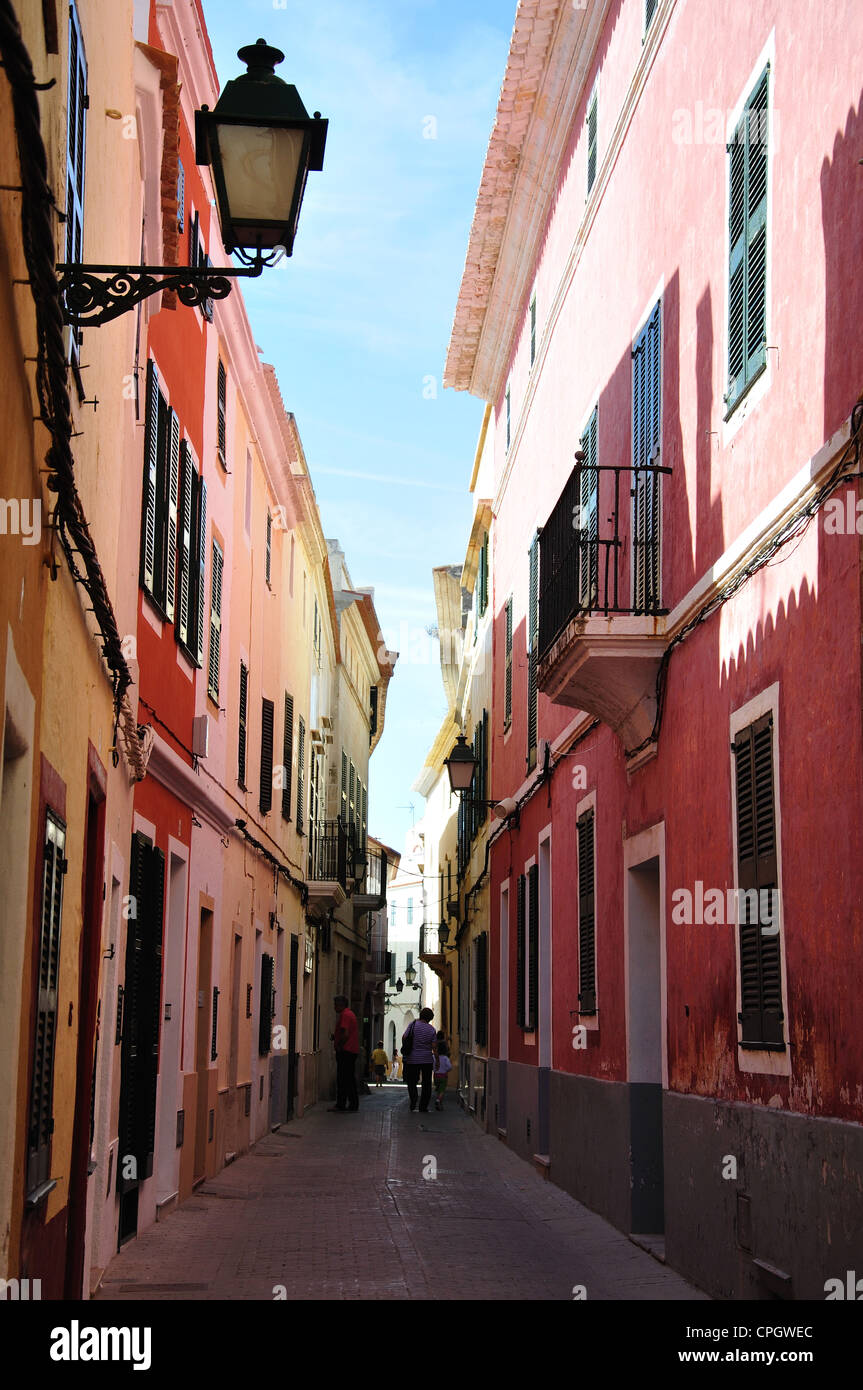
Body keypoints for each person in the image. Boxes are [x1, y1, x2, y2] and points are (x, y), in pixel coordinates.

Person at [402, 1007, 438, 1113]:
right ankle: (423, 1106)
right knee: (426, 1083)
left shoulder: (412, 1025)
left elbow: (404, 1037)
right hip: (427, 1059)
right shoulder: (431, 1029)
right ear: (430, 1018)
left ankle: (413, 1100)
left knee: (412, 1081)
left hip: (412, 1059)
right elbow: (434, 1047)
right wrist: (438, 1061)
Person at [328, 995, 359, 1112]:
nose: (334, 1007)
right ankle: (353, 1104)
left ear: (340, 1005)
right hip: (351, 1050)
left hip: (346, 1051)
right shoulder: (350, 1014)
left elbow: (345, 1034)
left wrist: (340, 1045)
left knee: (343, 1078)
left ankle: (341, 1104)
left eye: (335, 1005)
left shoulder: (345, 1015)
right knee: (349, 1078)